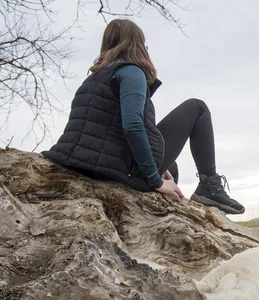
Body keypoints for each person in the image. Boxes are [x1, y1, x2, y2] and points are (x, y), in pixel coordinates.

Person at [42, 19, 244, 214]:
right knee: (197, 107)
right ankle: (209, 184)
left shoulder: (92, 79)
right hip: (118, 169)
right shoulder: (130, 71)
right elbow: (132, 126)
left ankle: (171, 206)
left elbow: (102, 130)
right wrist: (154, 180)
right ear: (137, 44)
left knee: (171, 167)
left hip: (82, 162)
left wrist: (157, 164)